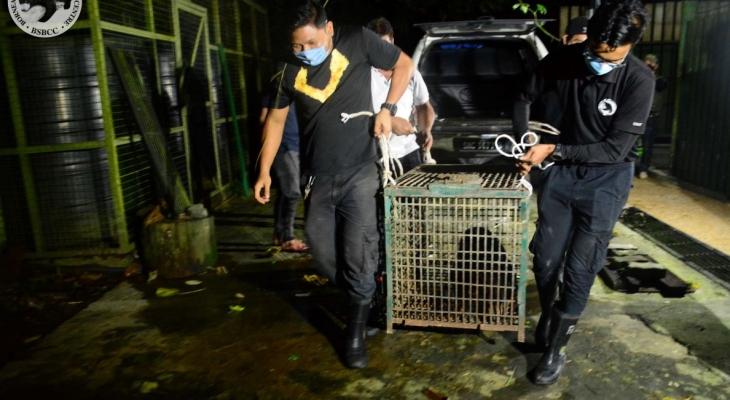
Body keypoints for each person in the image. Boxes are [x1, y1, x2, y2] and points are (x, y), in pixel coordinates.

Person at [253, 0, 412, 369]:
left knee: (357, 251)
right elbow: (274, 123)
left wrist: (387, 109)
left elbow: (403, 64)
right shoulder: (286, 70)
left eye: (310, 43)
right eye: (297, 46)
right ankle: (366, 293)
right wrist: (263, 172)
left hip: (360, 171)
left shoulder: (357, 40)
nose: (304, 52)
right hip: (318, 177)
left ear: (328, 30)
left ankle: (355, 333)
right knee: (323, 254)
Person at [513, 0, 654, 385]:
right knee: (544, 257)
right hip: (561, 176)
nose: (600, 63)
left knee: (579, 269)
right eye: (595, 53)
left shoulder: (639, 81)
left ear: (631, 47)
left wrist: (552, 149)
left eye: (612, 58)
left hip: (606, 181)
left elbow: (614, 150)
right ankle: (550, 314)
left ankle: (556, 350)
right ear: (587, 38)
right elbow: (523, 96)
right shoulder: (564, 59)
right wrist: (528, 140)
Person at [367, 17, 435, 174]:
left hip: (408, 152)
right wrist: (390, 122)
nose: (382, 52)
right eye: (377, 47)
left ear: (392, 40)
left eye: (385, 45)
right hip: (373, 156)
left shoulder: (409, 72)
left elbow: (423, 105)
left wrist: (425, 130)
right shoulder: (362, 74)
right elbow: (352, 115)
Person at [259, 86, 308, 252]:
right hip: (284, 146)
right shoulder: (276, 87)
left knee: (287, 191)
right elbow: (264, 118)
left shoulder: (300, 86)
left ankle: (279, 234)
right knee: (292, 192)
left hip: (298, 145)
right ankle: (286, 237)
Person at [636, 53, 668, 179]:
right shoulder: (637, 77)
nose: (649, 65)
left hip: (651, 117)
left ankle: (643, 168)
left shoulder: (660, 80)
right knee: (631, 144)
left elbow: (660, 86)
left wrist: (650, 73)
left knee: (647, 145)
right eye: (647, 62)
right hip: (637, 116)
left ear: (657, 66)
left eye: (652, 63)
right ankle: (630, 167)